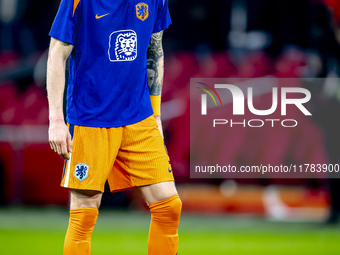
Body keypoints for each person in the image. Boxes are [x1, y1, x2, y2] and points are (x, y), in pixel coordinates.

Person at [46, 0, 182, 254]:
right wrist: (56, 119)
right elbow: (57, 52)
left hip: (139, 115)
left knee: (168, 205)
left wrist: (157, 115)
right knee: (85, 211)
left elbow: (155, 50)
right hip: (90, 118)